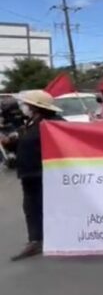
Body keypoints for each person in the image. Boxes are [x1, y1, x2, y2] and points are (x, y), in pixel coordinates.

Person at [2, 90, 64, 261]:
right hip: (29, 174)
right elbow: (25, 142)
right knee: (32, 208)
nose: (24, 107)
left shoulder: (53, 123)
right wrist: (10, 143)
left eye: (26, 105)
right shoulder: (31, 122)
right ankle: (37, 239)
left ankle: (38, 240)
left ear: (35, 107)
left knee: (41, 207)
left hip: (43, 173)